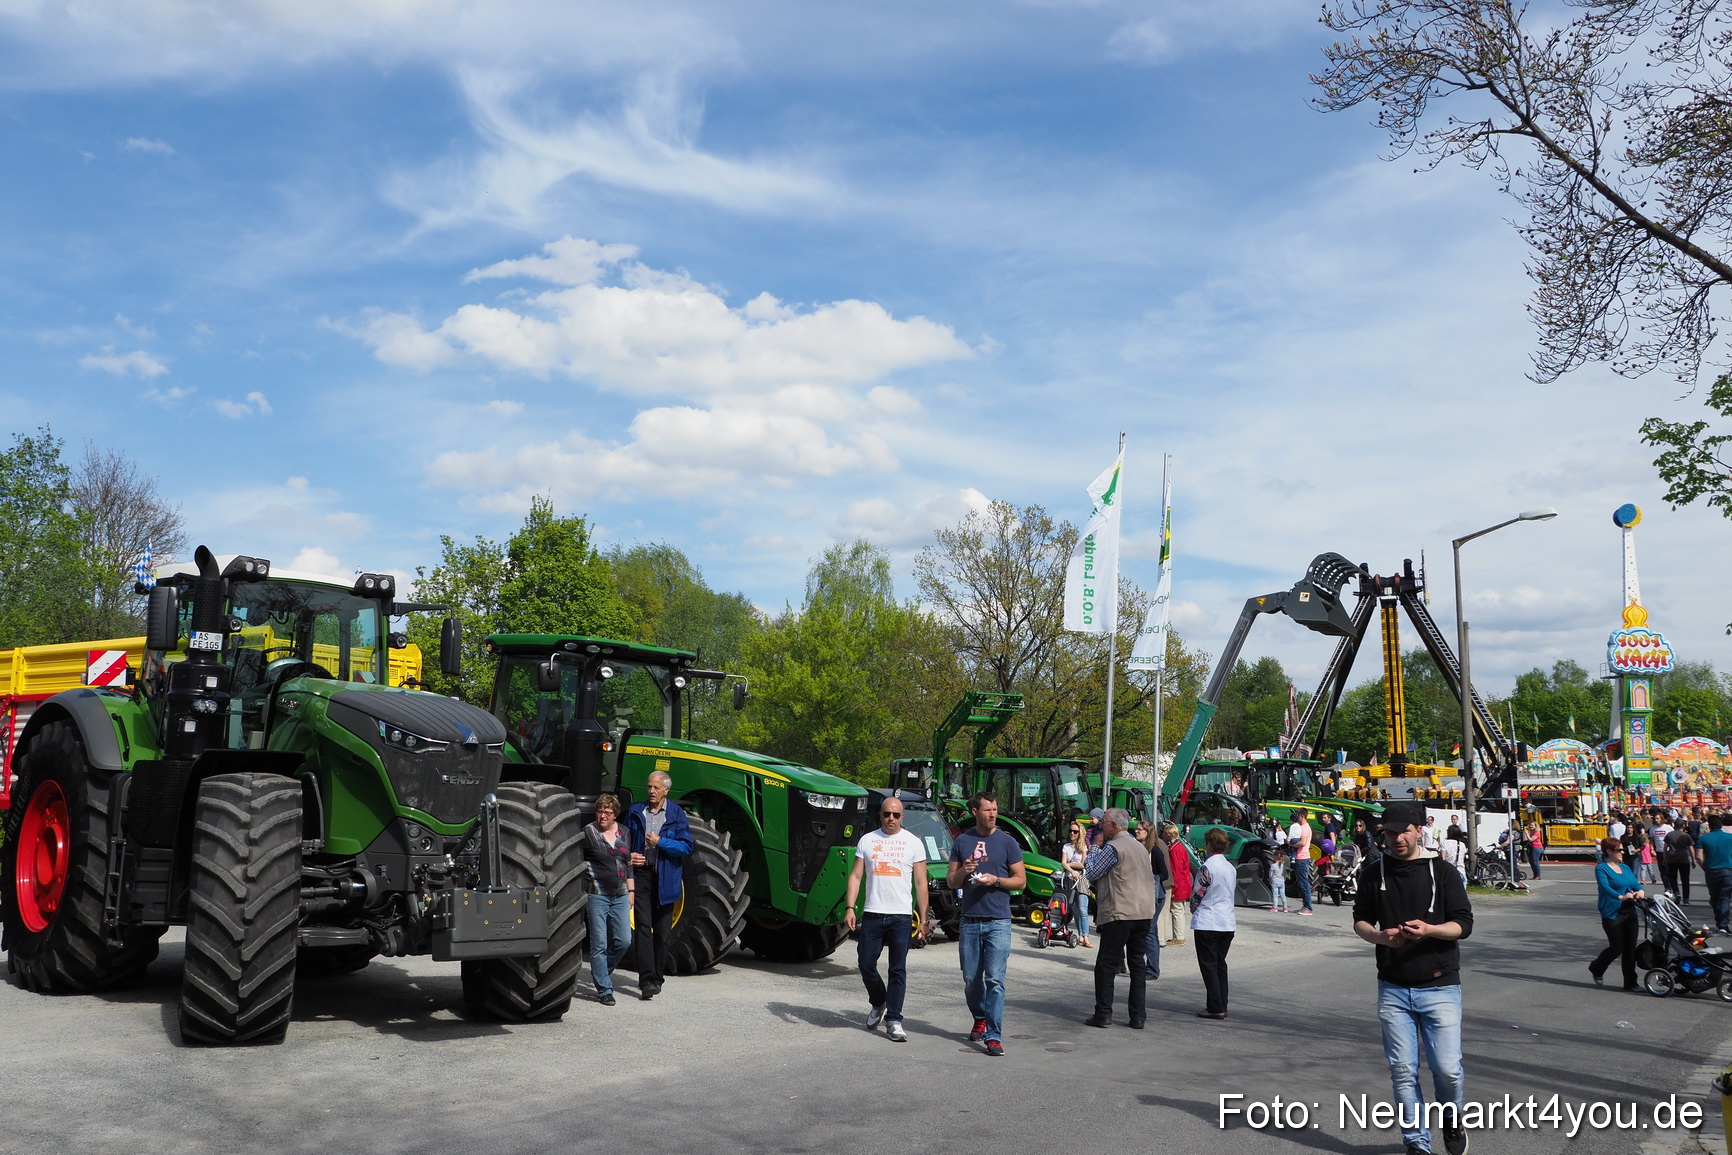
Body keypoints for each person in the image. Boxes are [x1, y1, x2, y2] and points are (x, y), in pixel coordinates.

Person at [1352, 801, 1473, 1155]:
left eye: (1404, 831)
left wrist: (1431, 929)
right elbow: (1360, 919)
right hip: (1393, 987)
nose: (1397, 838)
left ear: (1419, 829)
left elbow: (1463, 924)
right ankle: (1417, 1143)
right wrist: (1379, 937)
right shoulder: (1374, 873)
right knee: (1403, 1070)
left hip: (1440, 985)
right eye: (1390, 832)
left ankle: (1451, 1118)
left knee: (1447, 1069)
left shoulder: (1444, 872)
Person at [843, 795, 929, 1042]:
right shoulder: (868, 841)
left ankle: (894, 1020)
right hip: (873, 912)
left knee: (897, 969)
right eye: (886, 814)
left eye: (895, 815)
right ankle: (879, 1002)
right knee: (866, 963)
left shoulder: (913, 843)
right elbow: (856, 877)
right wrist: (850, 907)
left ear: (903, 817)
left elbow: (921, 883)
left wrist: (923, 919)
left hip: (901, 916)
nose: (890, 818)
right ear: (879, 815)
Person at [946, 792, 1026, 1057]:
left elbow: (1021, 881)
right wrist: (963, 871)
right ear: (975, 811)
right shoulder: (963, 841)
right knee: (971, 979)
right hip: (969, 921)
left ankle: (993, 1036)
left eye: (995, 809)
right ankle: (979, 1015)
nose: (993, 814)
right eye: (988, 810)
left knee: (995, 980)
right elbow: (951, 882)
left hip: (999, 922)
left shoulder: (1007, 842)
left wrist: (996, 881)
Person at [1083, 808, 1155, 1028]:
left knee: (1106, 964)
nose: (1100, 827)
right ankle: (1138, 1016)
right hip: (1143, 912)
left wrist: (1094, 846)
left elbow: (1092, 872)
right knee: (1137, 965)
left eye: (1103, 823)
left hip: (1119, 912)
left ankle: (1103, 1013)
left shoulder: (1114, 847)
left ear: (1113, 826)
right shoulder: (1139, 847)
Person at [625, 770, 692, 1001]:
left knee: (662, 934)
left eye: (656, 787)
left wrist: (660, 842)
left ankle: (657, 977)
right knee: (643, 928)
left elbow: (686, 846)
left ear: (666, 790)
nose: (651, 791)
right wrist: (629, 857)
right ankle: (646, 981)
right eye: (649, 787)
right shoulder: (635, 812)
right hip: (642, 876)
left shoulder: (676, 814)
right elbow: (622, 843)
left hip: (667, 879)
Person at [578, 793, 635, 1006]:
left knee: (623, 940)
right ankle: (604, 989)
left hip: (620, 894)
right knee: (599, 943)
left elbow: (627, 862)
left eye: (607, 813)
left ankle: (602, 971)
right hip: (597, 894)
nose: (602, 816)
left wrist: (631, 891)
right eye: (600, 811)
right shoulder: (589, 833)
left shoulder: (624, 832)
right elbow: (577, 861)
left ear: (615, 815)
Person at [1191, 827, 1237, 1019]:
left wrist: (1193, 909)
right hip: (1226, 920)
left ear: (1209, 845)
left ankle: (1215, 1006)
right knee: (1219, 964)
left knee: (1208, 965)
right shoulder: (1230, 867)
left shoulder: (1207, 867)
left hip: (1208, 920)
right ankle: (1221, 1003)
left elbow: (1197, 894)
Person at [1589, 837, 1643, 991]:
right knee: (1617, 947)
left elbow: (1635, 883)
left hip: (1630, 911)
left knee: (1630, 949)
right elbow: (1605, 887)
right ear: (1609, 851)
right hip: (1612, 912)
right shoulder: (1602, 868)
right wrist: (1620, 897)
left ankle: (1631, 983)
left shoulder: (1625, 868)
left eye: (1622, 849)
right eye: (1619, 850)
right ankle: (1597, 967)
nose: (1622, 852)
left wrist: (1640, 890)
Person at [1137, 821, 1170, 980]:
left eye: (1140, 829)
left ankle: (1152, 969)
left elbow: (1164, 874)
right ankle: (1144, 965)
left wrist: (1149, 877)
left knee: (1150, 931)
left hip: (1155, 896)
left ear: (1147, 832)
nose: (1136, 831)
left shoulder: (1155, 850)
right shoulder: (1139, 848)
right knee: (1146, 931)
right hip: (1143, 896)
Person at [1697, 814, 1732, 934]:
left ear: (1709, 825)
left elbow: (1698, 856)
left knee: (1715, 898)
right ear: (1721, 825)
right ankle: (1723, 924)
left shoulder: (1703, 839)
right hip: (1727, 870)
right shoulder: (1730, 837)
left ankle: (1720, 922)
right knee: (1725, 898)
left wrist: (1705, 868)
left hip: (1711, 871)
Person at [1061, 819, 1093, 948]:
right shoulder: (1066, 846)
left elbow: (1083, 864)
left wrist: (1070, 865)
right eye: (1070, 831)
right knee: (1074, 908)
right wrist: (1071, 870)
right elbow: (1063, 863)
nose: (1072, 834)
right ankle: (1080, 935)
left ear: (1080, 833)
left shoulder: (1083, 847)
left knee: (1083, 909)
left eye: (1075, 831)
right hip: (1070, 878)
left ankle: (1086, 936)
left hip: (1082, 879)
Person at [1160, 823, 1192, 945]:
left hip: (1179, 884)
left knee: (1177, 910)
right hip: (1183, 883)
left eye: (1164, 833)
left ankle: (1179, 937)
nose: (1163, 835)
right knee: (1179, 910)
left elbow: (1176, 870)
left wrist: (1174, 888)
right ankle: (1178, 936)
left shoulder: (1175, 850)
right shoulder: (1179, 847)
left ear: (1169, 835)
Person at [1288, 807, 1315, 915]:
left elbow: (1303, 843)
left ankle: (1308, 907)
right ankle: (1305, 905)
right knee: (1301, 882)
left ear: (1302, 816)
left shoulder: (1304, 828)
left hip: (1302, 858)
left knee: (1303, 883)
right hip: (1302, 858)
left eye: (1298, 815)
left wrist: (1290, 844)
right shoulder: (1303, 827)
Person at [1663, 819, 1697, 904]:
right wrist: (1693, 860)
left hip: (1672, 858)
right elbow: (1691, 849)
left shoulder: (1669, 835)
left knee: (1672, 878)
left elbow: (1665, 848)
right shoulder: (1686, 836)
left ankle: (1676, 892)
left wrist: (1664, 859)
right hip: (1684, 859)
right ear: (1683, 826)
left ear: (1675, 825)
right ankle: (1686, 899)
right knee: (1685, 879)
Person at [1269, 830, 1290, 913]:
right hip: (1282, 882)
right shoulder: (1283, 866)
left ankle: (1275, 907)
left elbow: (1270, 874)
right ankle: (1285, 908)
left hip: (1275, 881)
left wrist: (1271, 880)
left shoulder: (1273, 865)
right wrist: (1284, 879)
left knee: (1275, 895)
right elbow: (1285, 874)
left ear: (1275, 858)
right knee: (1283, 895)